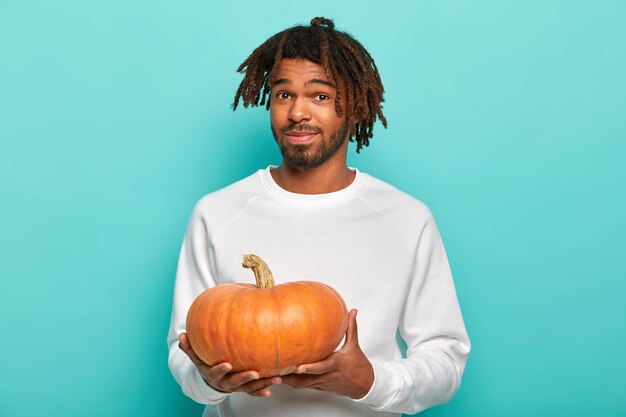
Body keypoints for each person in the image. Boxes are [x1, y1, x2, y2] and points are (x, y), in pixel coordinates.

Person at [167, 17, 470, 417]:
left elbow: (445, 356)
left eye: (321, 96)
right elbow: (183, 349)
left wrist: (370, 383)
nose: (297, 112)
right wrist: (206, 380)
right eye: (282, 94)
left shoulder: (407, 218)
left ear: (356, 104)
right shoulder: (217, 211)